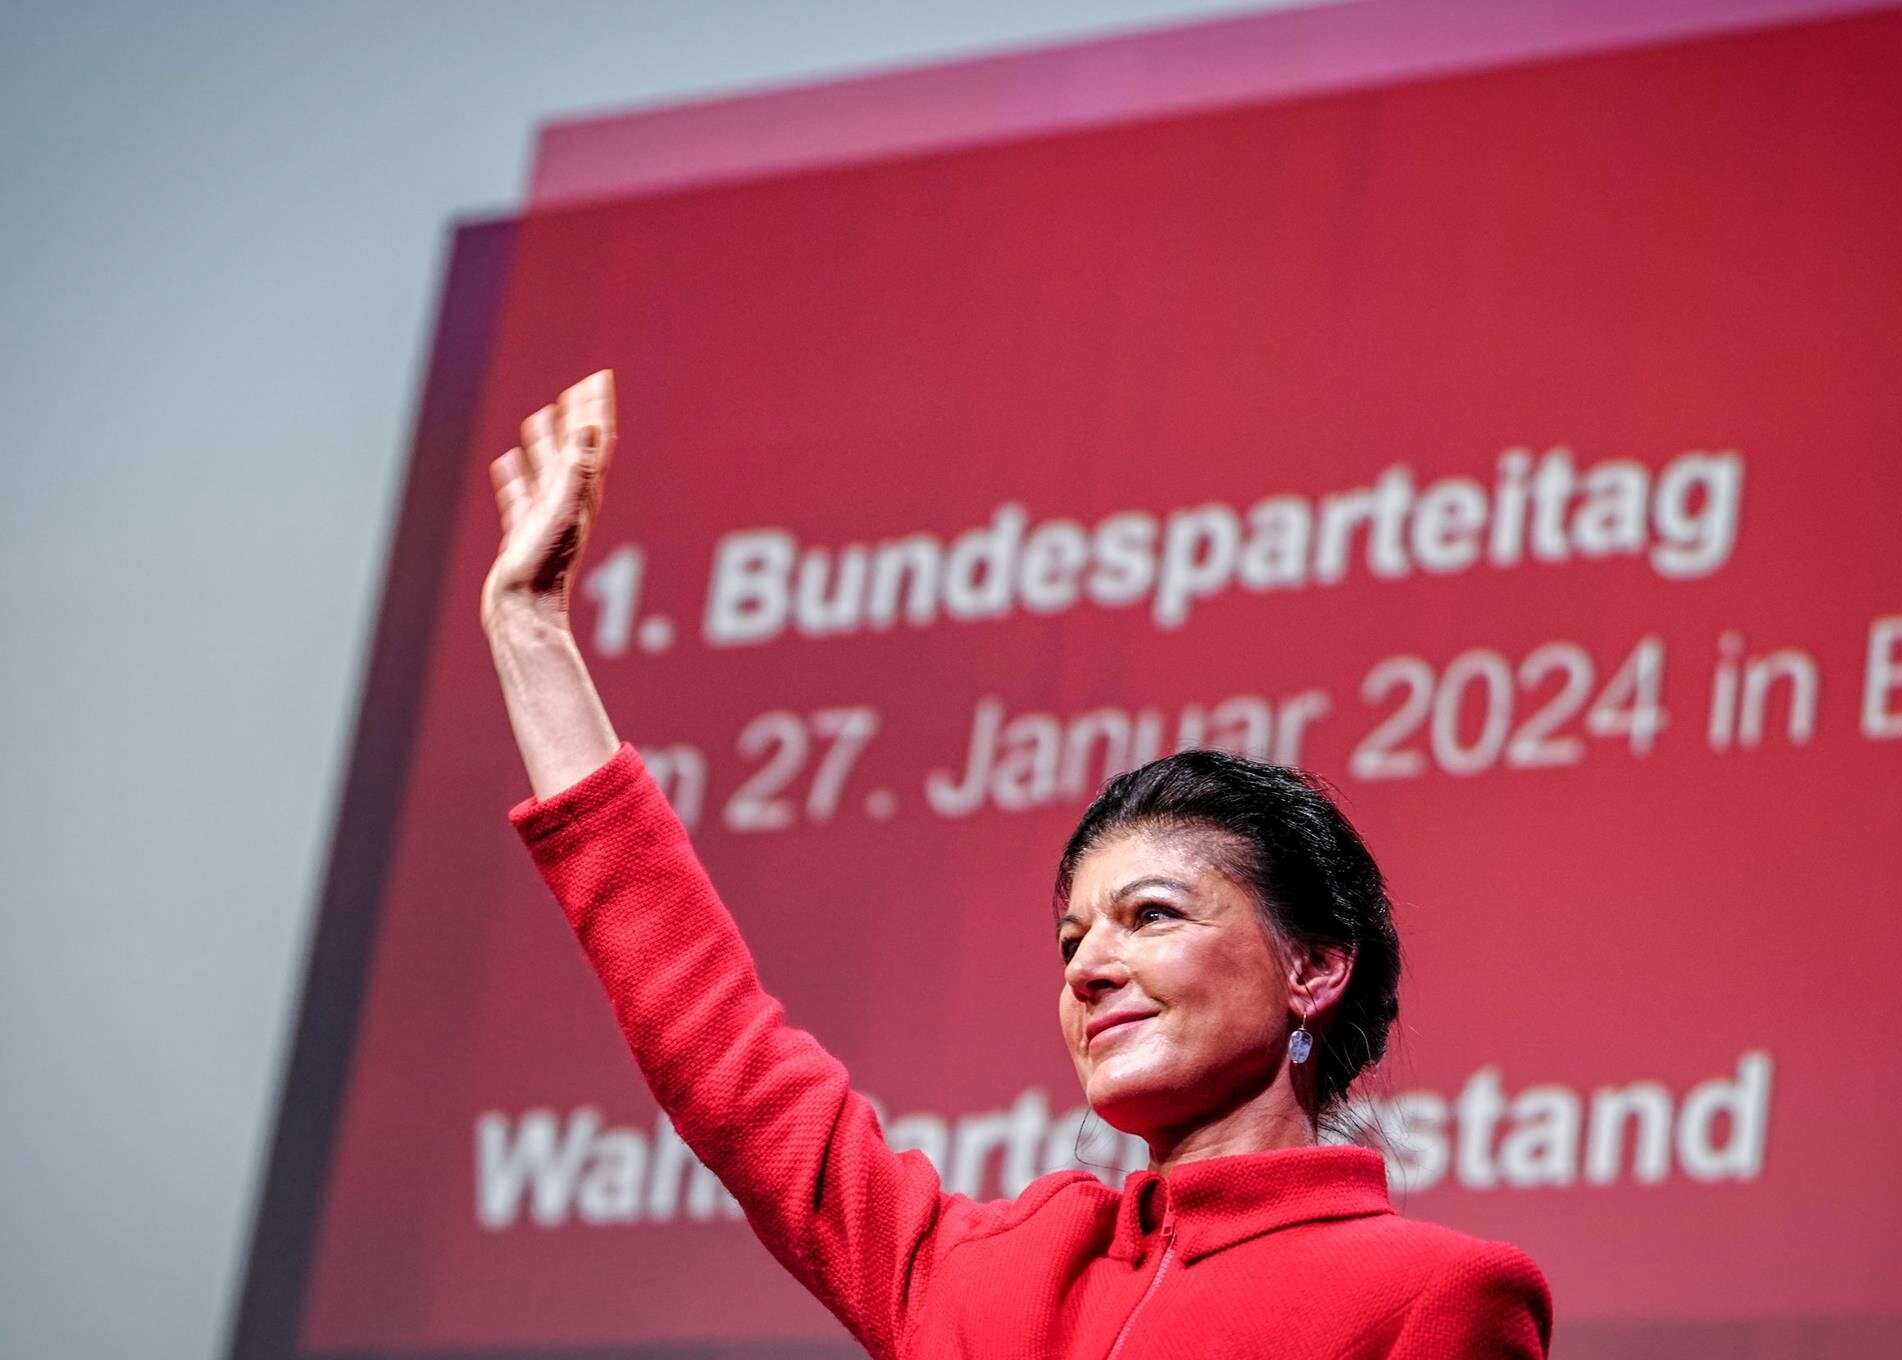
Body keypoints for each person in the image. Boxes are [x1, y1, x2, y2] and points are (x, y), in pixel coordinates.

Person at [483, 371, 1553, 1358]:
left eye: (1153, 915)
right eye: (1072, 939)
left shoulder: (1439, 1295)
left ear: (1313, 967)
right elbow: (719, 1047)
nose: (1089, 968)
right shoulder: (988, 1274)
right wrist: (529, 630)